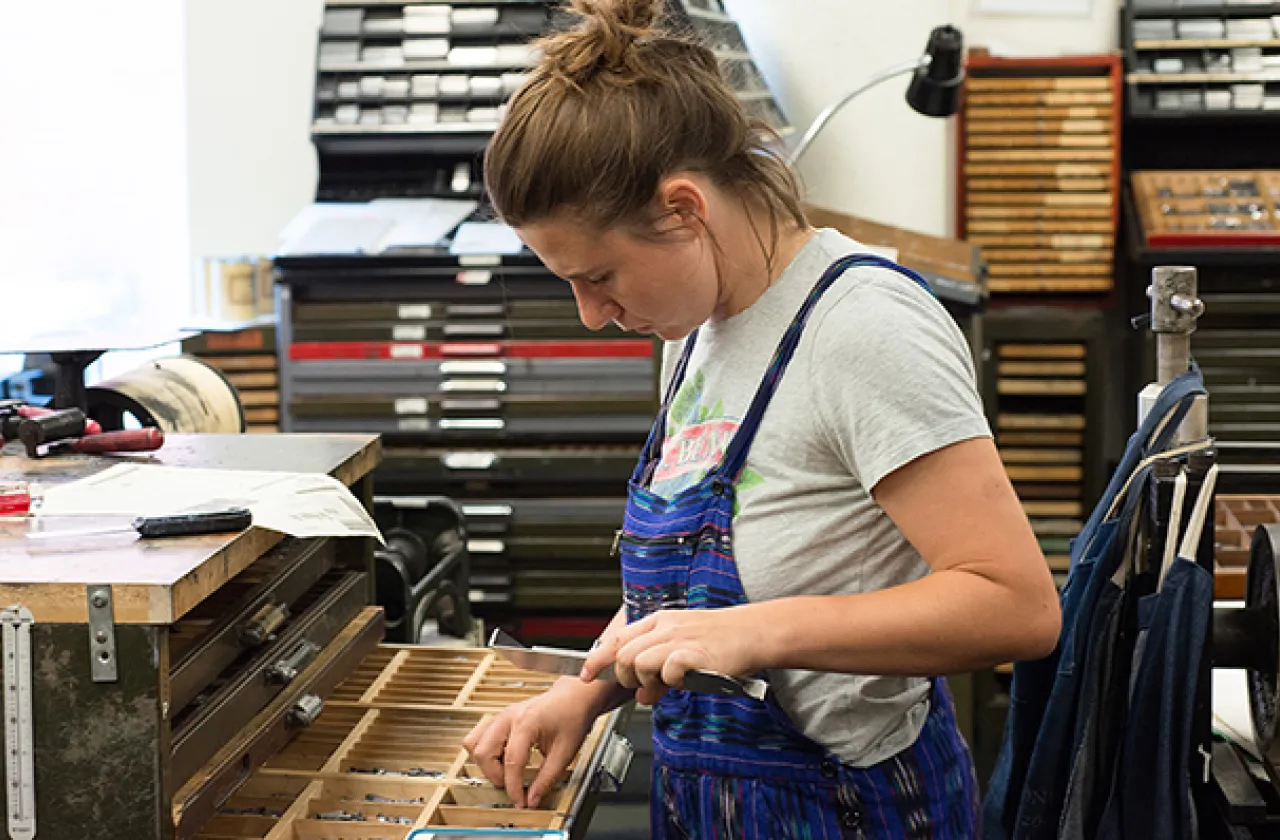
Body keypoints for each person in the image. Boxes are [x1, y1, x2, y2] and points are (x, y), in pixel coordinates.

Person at [463, 1, 1062, 836]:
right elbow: (685, 593)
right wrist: (586, 688)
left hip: (848, 807)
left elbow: (1016, 607)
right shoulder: (696, 328)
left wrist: (758, 632)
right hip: (709, 799)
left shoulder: (859, 327)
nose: (591, 315)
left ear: (684, 209)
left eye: (599, 275)